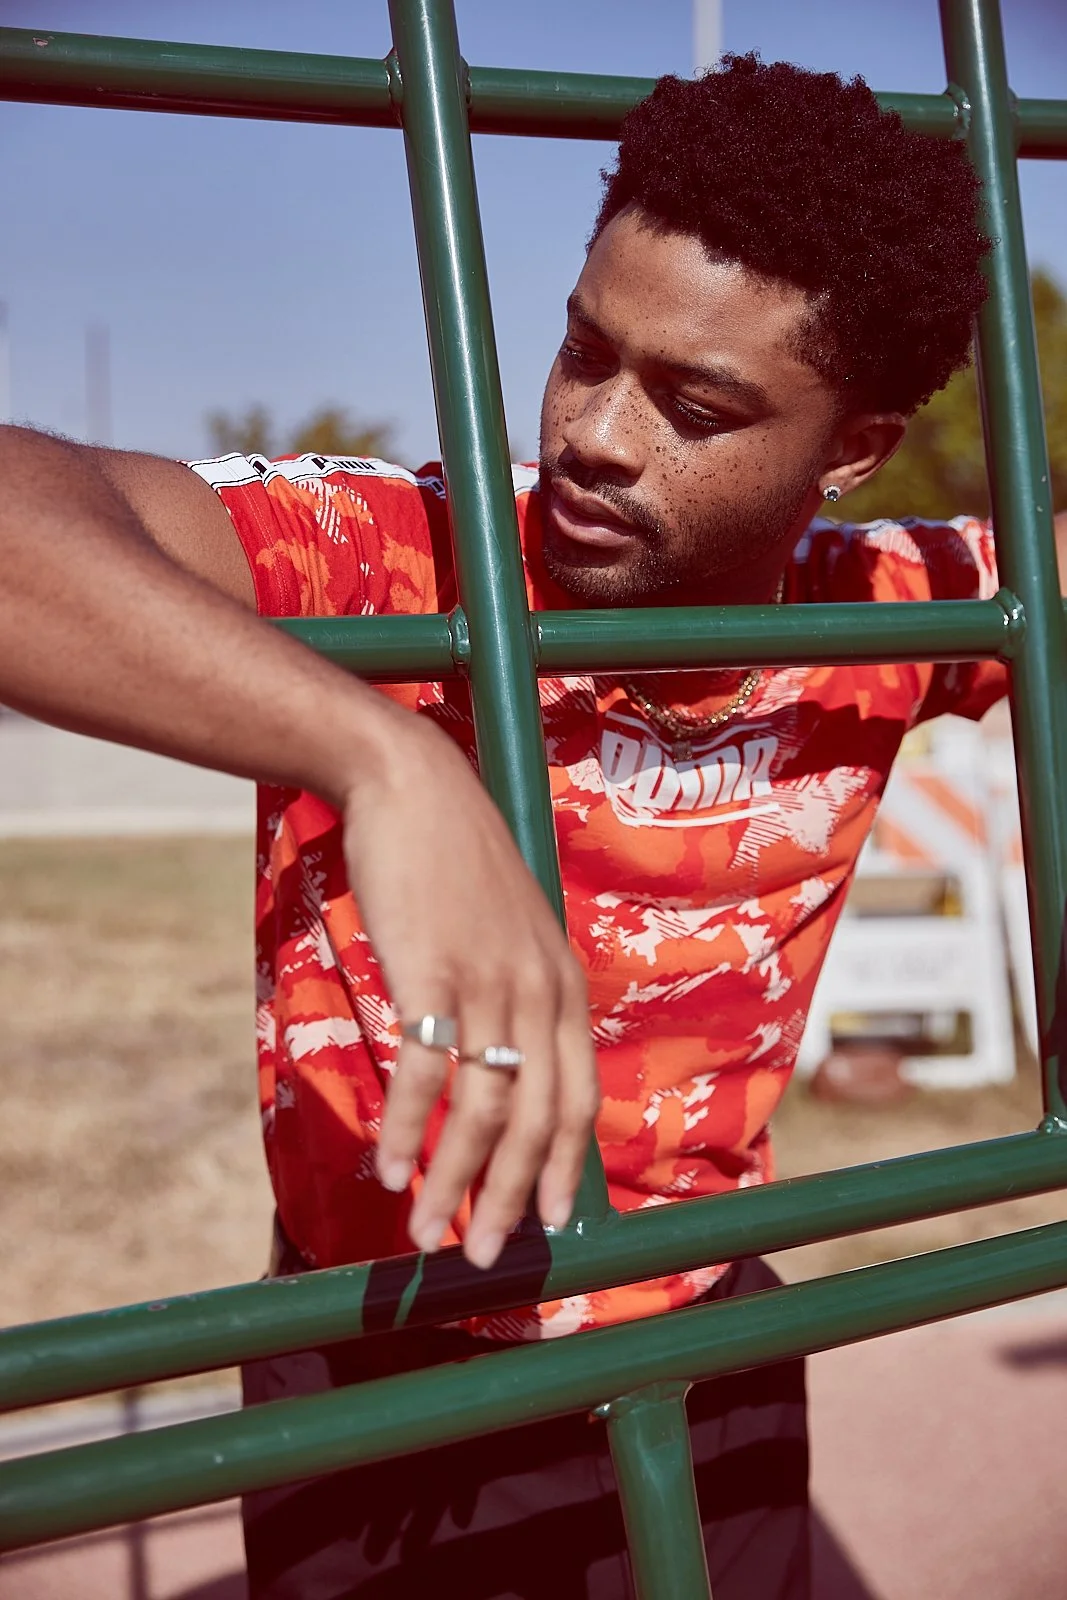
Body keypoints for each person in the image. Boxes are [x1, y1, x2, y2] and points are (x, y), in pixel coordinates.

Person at [2, 50, 1060, 1600]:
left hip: (703, 1333)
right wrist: (380, 754)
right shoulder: (408, 557)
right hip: (377, 1351)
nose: (597, 434)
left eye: (696, 405)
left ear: (849, 448)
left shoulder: (881, 603)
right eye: (582, 348)